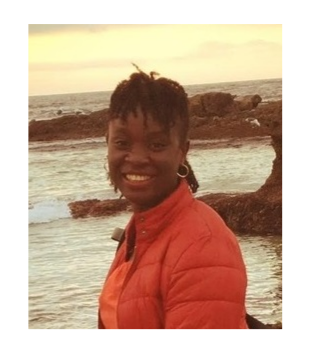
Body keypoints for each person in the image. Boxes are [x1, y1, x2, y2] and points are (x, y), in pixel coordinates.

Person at [98, 65, 249, 330]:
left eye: (156, 144)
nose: (136, 158)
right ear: (107, 142)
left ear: (182, 151)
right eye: (122, 143)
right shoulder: (141, 230)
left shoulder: (202, 246)